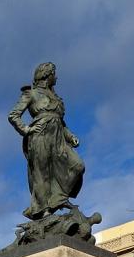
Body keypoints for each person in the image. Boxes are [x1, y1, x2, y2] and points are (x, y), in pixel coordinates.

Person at [8, 62, 85, 221]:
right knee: (41, 175)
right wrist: (26, 130)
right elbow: (13, 115)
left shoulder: (56, 98)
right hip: (40, 136)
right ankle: (44, 212)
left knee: (77, 165)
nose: (56, 77)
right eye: (53, 73)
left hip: (58, 138)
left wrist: (70, 137)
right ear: (46, 75)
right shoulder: (31, 94)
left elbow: (60, 123)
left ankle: (58, 198)